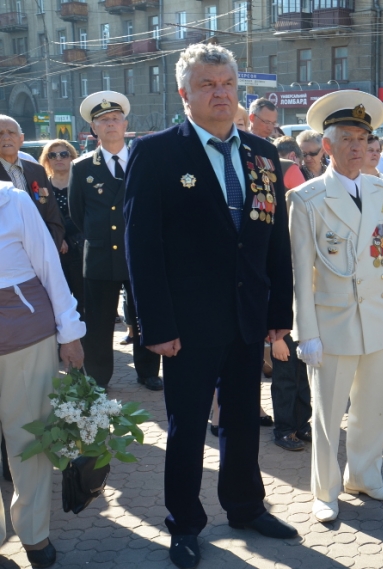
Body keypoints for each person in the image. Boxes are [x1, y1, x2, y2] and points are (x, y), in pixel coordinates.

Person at [124, 44, 297, 568]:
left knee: (244, 420)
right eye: (207, 85)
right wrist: (155, 325)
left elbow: (274, 241)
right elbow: (142, 246)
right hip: (187, 324)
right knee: (187, 427)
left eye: (227, 84)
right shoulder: (155, 153)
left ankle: (245, 506)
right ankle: (183, 523)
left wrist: (277, 316)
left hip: (247, 317)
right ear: (184, 94)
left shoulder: (262, 154)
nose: (220, 93)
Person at [290, 90, 383, 522]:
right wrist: (307, 333)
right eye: (348, 140)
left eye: (363, 138)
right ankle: (324, 490)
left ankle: (366, 476)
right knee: (328, 415)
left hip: (376, 315)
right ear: (327, 146)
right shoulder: (307, 199)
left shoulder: (382, 190)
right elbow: (301, 273)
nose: (358, 148)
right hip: (333, 320)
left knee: (373, 407)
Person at [0, 181, 86, 569]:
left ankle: (33, 534)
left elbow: (49, 264)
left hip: (23, 334)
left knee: (28, 437)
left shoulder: (12, 199)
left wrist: (69, 332)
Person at [68, 92, 162, 391]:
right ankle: (98, 375)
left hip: (140, 254)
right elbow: (77, 213)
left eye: (115, 119)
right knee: (98, 322)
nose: (111, 124)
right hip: (99, 255)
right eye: (103, 120)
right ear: (93, 128)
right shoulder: (81, 168)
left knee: (145, 314)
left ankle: (148, 371)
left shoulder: (144, 160)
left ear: (126, 124)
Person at [0, 116, 64, 250]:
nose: (6, 137)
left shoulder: (37, 171)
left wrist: (49, 248)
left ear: (21, 139)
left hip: (42, 250)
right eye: (0, 133)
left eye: (11, 132)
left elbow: (52, 214)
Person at [40, 140, 83, 317]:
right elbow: (39, 218)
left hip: (81, 249)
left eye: (63, 154)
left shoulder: (81, 184)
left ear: (72, 157)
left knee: (83, 301)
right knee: (57, 302)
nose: (58, 158)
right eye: (53, 155)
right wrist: (58, 238)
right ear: (47, 160)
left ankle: (84, 342)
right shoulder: (41, 187)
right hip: (53, 252)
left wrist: (64, 235)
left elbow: (85, 215)